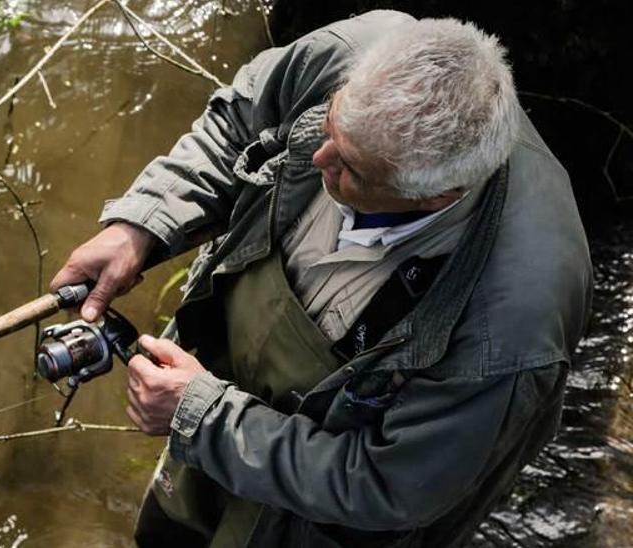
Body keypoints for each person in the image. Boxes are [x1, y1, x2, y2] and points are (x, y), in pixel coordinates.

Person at [49, 10, 593, 547]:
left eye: (350, 167)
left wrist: (203, 418)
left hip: (321, 511)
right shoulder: (358, 51)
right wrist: (143, 224)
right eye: (330, 120)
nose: (317, 155)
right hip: (211, 390)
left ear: (433, 196)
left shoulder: (513, 328)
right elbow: (241, 123)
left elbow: (389, 486)